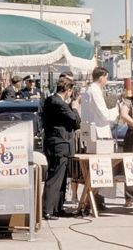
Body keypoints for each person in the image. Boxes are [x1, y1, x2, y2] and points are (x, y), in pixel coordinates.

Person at [41, 77, 81, 220]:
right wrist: (75, 107)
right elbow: (75, 121)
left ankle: (57, 207)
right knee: (56, 177)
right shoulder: (58, 103)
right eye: (71, 91)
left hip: (58, 144)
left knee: (62, 178)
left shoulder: (51, 100)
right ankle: (48, 209)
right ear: (68, 90)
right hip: (59, 145)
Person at [81, 67, 117, 209]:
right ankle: (96, 199)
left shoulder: (88, 90)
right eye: (106, 78)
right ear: (102, 77)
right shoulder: (94, 91)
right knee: (102, 168)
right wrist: (115, 110)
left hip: (93, 133)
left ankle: (97, 198)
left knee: (98, 169)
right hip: (99, 134)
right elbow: (103, 114)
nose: (106, 81)